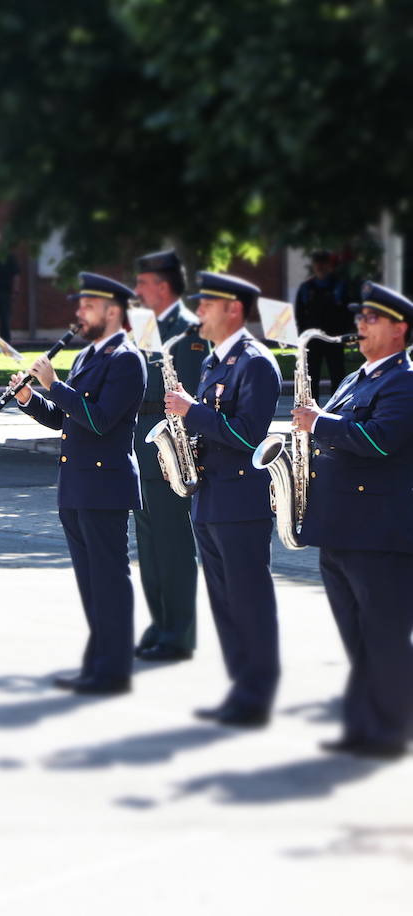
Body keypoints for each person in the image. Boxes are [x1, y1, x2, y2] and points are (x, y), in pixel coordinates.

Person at [12, 273, 146, 695]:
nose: (79, 313)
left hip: (105, 484)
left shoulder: (126, 359)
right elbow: (67, 416)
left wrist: (54, 384)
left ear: (113, 311)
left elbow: (101, 419)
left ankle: (114, 668)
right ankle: (98, 665)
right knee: (91, 583)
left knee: (108, 579)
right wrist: (32, 400)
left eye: (88, 306)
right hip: (77, 484)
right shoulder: (89, 356)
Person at [297, 282, 413, 760]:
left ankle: (390, 731)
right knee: (357, 637)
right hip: (339, 526)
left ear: (399, 329)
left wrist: (318, 423)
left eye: (370, 318)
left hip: (379, 532)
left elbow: (382, 439)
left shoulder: (404, 381)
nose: (359, 325)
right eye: (359, 317)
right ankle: (365, 723)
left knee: (383, 637)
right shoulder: (355, 378)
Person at [164, 272, 281, 727]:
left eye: (206, 305)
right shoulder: (216, 362)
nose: (198, 313)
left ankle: (257, 694)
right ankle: (240, 690)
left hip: (239, 500)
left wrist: (191, 412)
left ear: (233, 309)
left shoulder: (255, 363)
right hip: (209, 496)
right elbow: (211, 425)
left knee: (248, 600)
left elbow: (249, 434)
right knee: (223, 602)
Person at [132, 250, 206, 662]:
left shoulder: (189, 330)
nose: (138, 291)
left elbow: (191, 395)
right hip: (142, 447)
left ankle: (178, 633)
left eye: (143, 283)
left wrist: (185, 454)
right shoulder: (145, 327)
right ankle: (160, 623)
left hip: (170, 451)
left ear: (162, 286)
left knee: (173, 546)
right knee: (149, 545)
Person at [294, 251, 349, 398]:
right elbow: (299, 314)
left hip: (334, 338)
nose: (320, 267)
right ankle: (312, 410)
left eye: (324, 263)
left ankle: (337, 410)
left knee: (338, 376)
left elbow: (347, 312)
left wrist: (345, 334)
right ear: (313, 266)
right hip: (312, 340)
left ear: (330, 266)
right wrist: (301, 336)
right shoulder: (306, 287)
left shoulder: (339, 285)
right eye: (317, 263)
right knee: (311, 377)